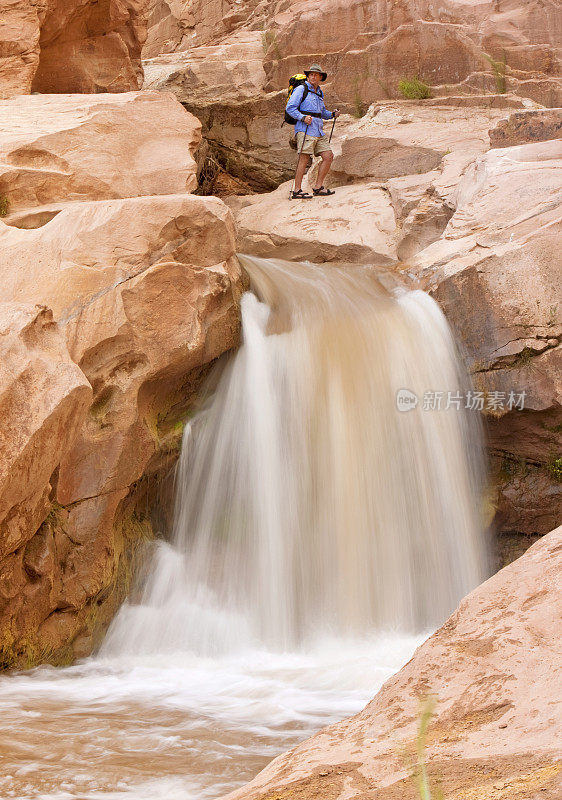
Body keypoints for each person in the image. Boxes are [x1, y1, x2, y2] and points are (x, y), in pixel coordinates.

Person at [286, 63, 340, 199]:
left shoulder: (319, 92)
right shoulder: (301, 89)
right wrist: (302, 118)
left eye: (316, 74)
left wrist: (332, 114)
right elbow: (290, 108)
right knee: (304, 158)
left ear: (321, 77)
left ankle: (318, 187)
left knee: (328, 156)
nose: (313, 76)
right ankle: (297, 190)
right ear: (308, 76)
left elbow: (321, 112)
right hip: (304, 129)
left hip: (318, 129)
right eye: (311, 74)